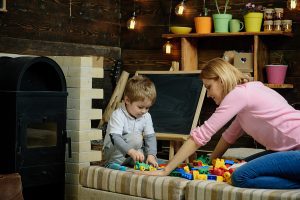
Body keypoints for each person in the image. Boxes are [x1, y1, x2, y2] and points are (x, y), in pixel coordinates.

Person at [137, 57, 300, 189]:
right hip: (287, 151)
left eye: (209, 87)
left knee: (240, 177)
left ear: (221, 80)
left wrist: (165, 170)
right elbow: (229, 136)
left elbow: (202, 135)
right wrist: (210, 163)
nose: (208, 94)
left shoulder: (239, 94)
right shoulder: (246, 97)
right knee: (240, 166)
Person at [103, 75, 158, 168]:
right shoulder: (118, 114)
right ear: (127, 100)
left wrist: (151, 155)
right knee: (136, 138)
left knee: (144, 156)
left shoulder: (146, 116)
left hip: (133, 151)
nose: (144, 111)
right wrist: (131, 151)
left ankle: (131, 162)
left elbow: (150, 137)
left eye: (147, 108)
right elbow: (115, 139)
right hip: (113, 151)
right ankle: (112, 163)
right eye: (140, 107)